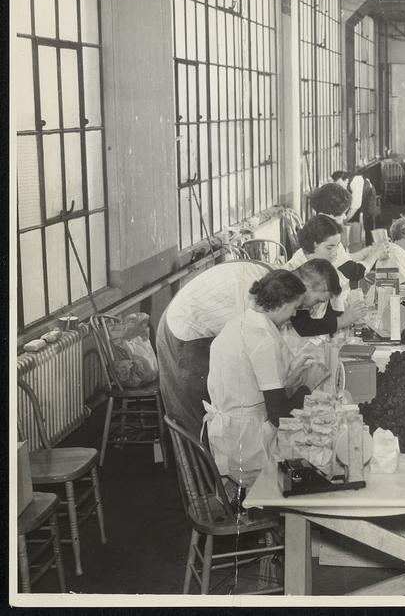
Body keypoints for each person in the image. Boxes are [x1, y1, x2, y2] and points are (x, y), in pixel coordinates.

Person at [204, 270, 328, 489]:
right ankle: (285, 516)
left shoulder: (239, 323)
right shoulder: (263, 338)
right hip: (248, 446)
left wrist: (291, 375)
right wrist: (308, 385)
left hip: (230, 434)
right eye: (293, 309)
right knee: (319, 461)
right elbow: (279, 415)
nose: (293, 316)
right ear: (281, 303)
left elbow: (251, 384)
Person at [156, 261, 273, 438]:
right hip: (185, 329)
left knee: (216, 409)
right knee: (198, 412)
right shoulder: (251, 284)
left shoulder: (268, 279)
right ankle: (200, 464)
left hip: (192, 321)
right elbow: (248, 346)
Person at [331, 170, 380, 245]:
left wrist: (344, 220)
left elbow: (356, 205)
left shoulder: (355, 182)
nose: (339, 188)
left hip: (368, 193)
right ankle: (354, 241)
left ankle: (372, 244)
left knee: (368, 218)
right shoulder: (343, 185)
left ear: (346, 180)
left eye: (340, 185)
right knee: (353, 219)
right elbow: (345, 204)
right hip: (356, 197)